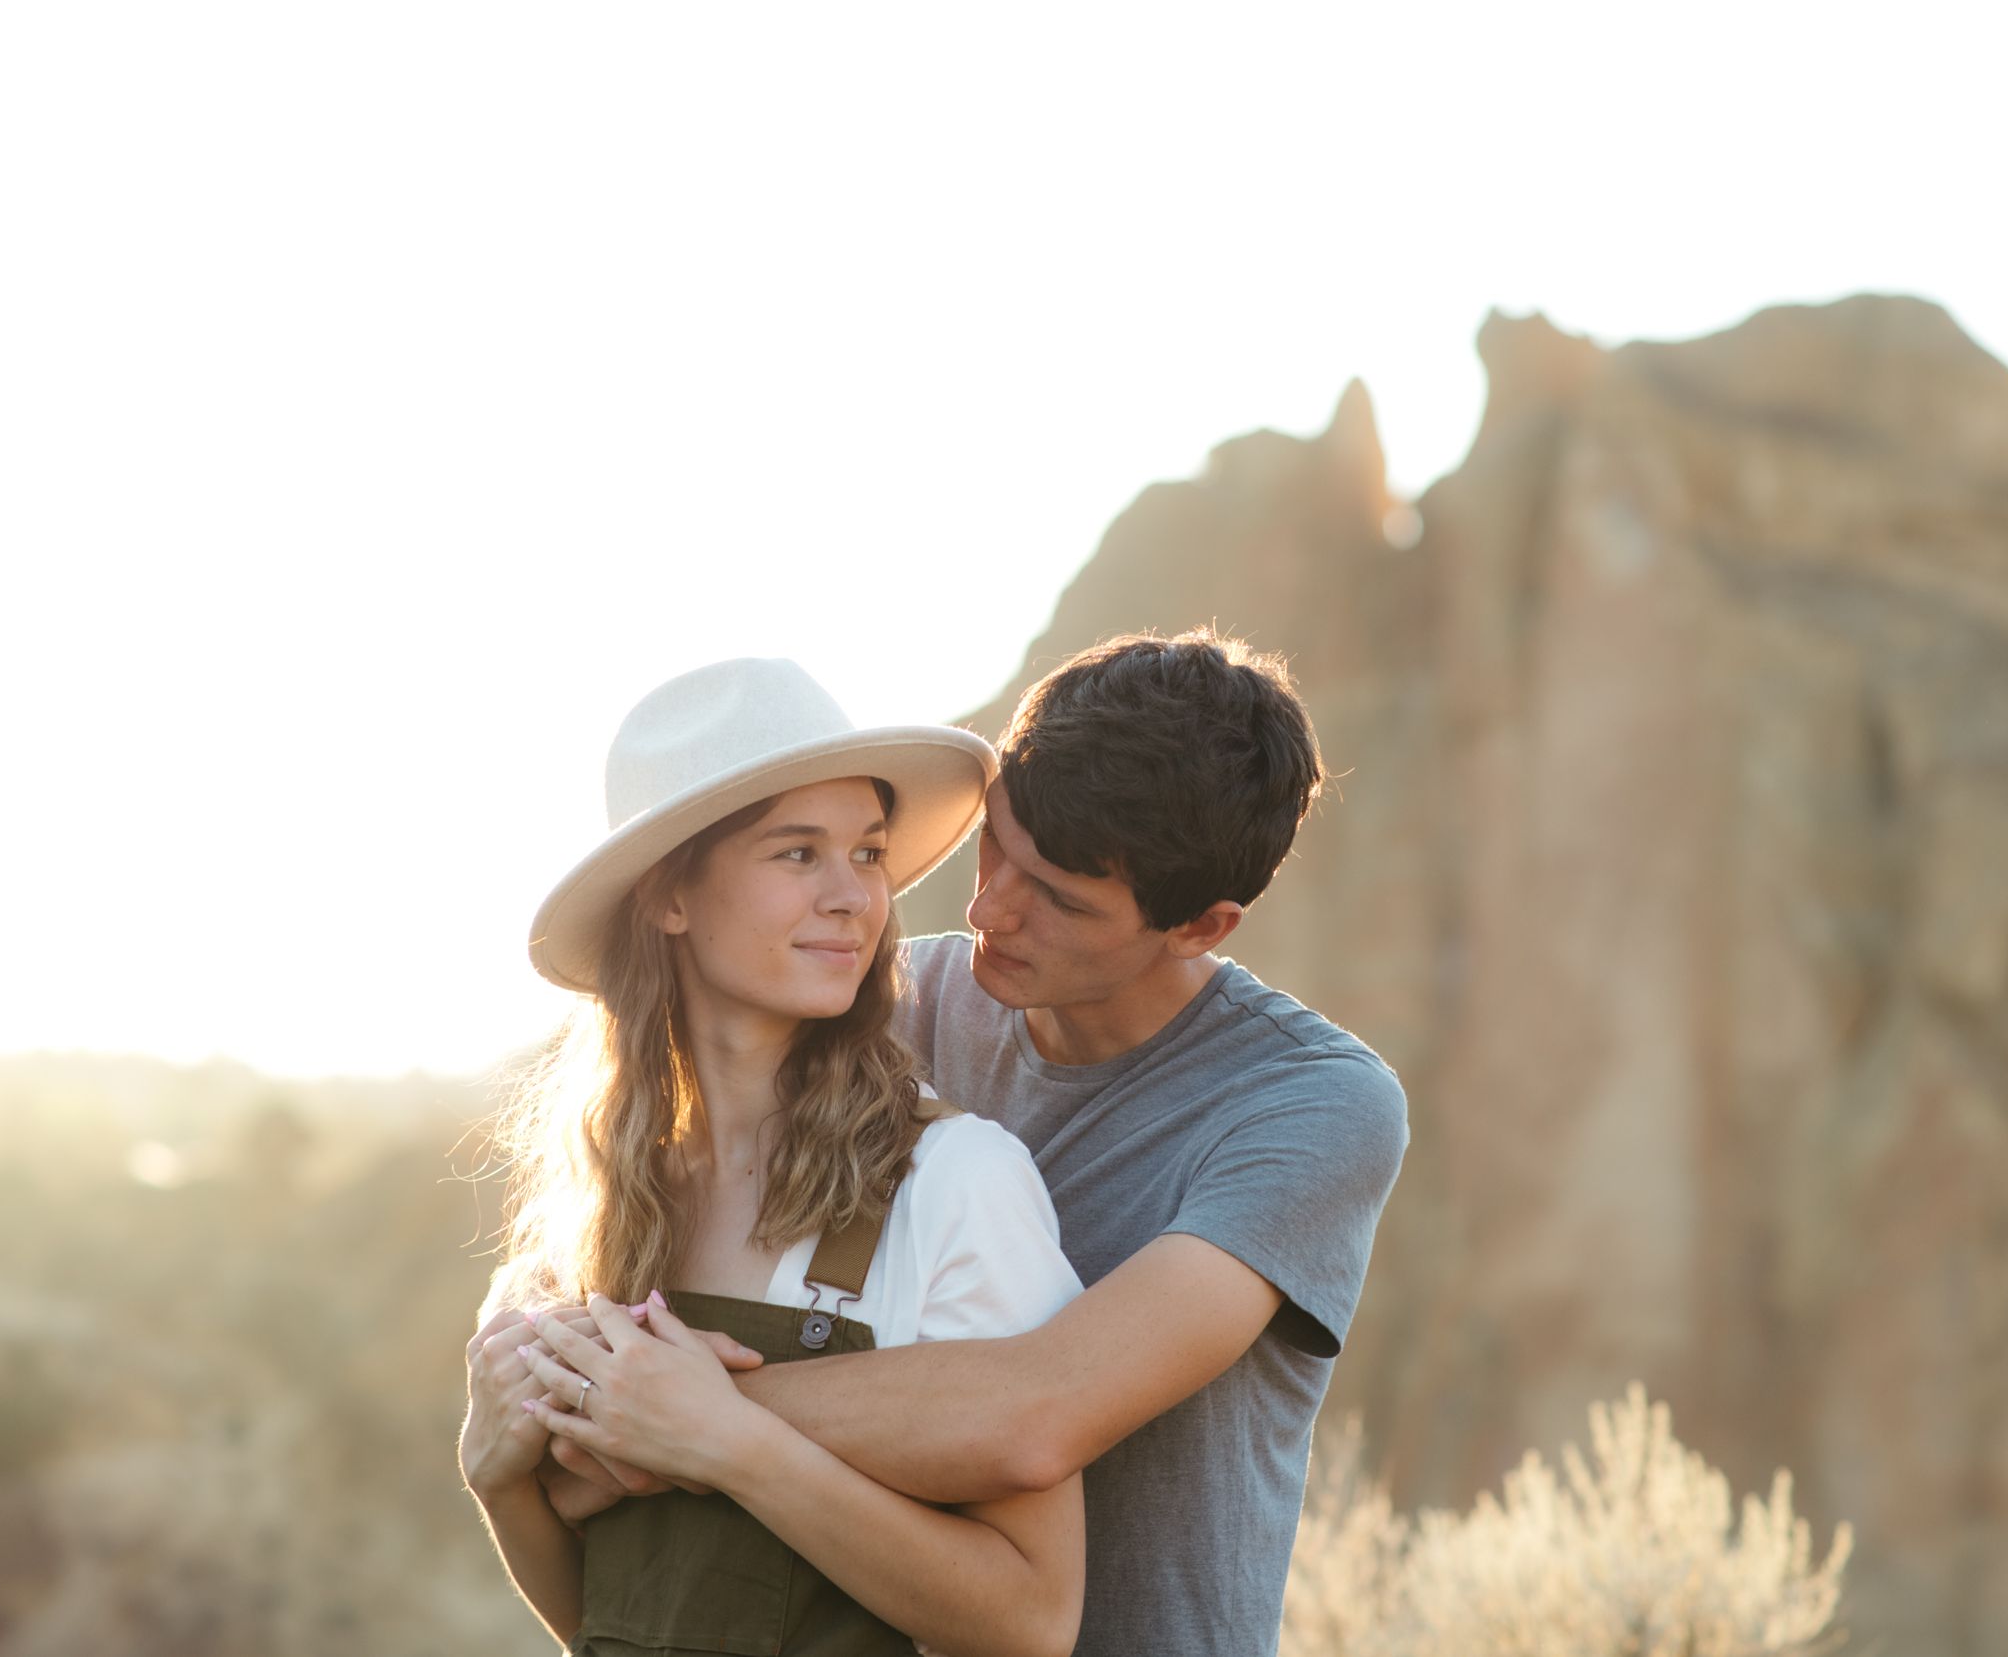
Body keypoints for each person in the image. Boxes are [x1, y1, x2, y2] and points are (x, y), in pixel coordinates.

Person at [531, 630, 1411, 1657]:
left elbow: (1037, 1406)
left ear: (1201, 927)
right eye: (998, 844)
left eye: (1062, 898)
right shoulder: (885, 1009)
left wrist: (680, 1413)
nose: (988, 907)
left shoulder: (1306, 1103)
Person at [457, 656, 1087, 1657]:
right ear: (670, 896)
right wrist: (495, 1480)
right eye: (798, 854)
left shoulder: (955, 1184)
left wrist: (731, 1441)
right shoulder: (594, 1211)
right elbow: (609, 1619)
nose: (854, 897)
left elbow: (1031, 1618)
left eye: (868, 853)